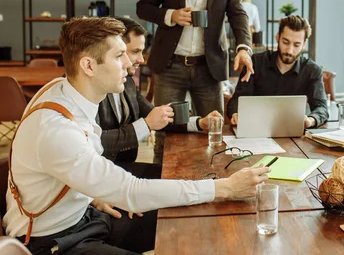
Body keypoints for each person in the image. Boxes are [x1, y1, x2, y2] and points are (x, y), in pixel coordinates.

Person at [3, 17, 270, 254]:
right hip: (55, 242)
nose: (130, 63)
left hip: (89, 214)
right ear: (88, 66)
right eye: (120, 55)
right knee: (198, 204)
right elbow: (131, 191)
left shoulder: (63, 90)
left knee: (196, 214)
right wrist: (225, 188)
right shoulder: (55, 129)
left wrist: (92, 195)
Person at [136, 0, 253, 163]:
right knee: (165, 134)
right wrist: (171, 16)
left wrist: (243, 47)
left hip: (208, 69)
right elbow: (143, 7)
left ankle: (215, 186)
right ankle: (163, 190)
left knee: (214, 132)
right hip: (171, 66)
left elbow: (238, 15)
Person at [97, 17, 221, 178]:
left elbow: (157, 116)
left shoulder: (127, 82)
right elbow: (95, 141)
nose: (141, 60)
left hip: (123, 168)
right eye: (135, 51)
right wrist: (146, 125)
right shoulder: (92, 85)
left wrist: (198, 123)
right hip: (101, 175)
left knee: (182, 176)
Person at [227, 15, 328, 128]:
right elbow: (237, 100)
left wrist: (311, 120)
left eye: (296, 45)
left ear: (304, 44)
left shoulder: (312, 71)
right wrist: (236, 114)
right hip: (255, 129)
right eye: (285, 42)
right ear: (278, 37)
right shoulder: (255, 63)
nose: (290, 50)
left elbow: (321, 107)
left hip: (293, 133)